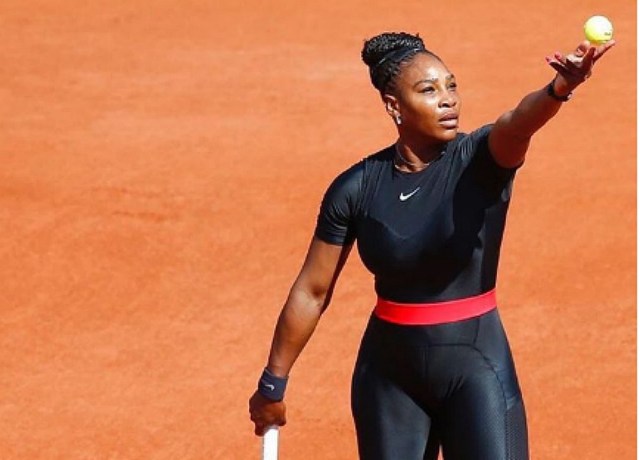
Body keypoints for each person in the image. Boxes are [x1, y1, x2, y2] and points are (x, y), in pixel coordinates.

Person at [248, 31, 615, 460]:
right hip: (388, 378)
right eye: (429, 90)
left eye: (451, 86)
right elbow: (312, 290)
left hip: (476, 369)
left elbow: (519, 121)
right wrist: (273, 382)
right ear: (394, 106)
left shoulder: (481, 159)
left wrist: (559, 89)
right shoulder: (356, 188)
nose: (448, 100)